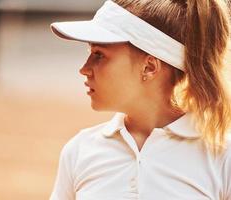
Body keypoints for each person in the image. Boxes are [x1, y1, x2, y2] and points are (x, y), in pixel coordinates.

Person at [49, 0, 231, 199]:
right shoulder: (79, 151)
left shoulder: (222, 155)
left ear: (149, 67)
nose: (84, 69)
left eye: (99, 55)